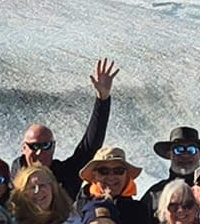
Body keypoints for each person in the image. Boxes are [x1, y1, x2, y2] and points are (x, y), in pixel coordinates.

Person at [9, 57, 121, 198]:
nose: (39, 152)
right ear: (24, 148)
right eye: (34, 146)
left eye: (46, 146)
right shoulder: (14, 178)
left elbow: (89, 147)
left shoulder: (66, 175)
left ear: (54, 147)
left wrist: (102, 100)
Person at [77, 147, 156, 224]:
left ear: (126, 176)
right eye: (103, 171)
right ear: (94, 175)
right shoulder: (78, 208)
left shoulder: (140, 211)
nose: (111, 176)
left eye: (118, 171)